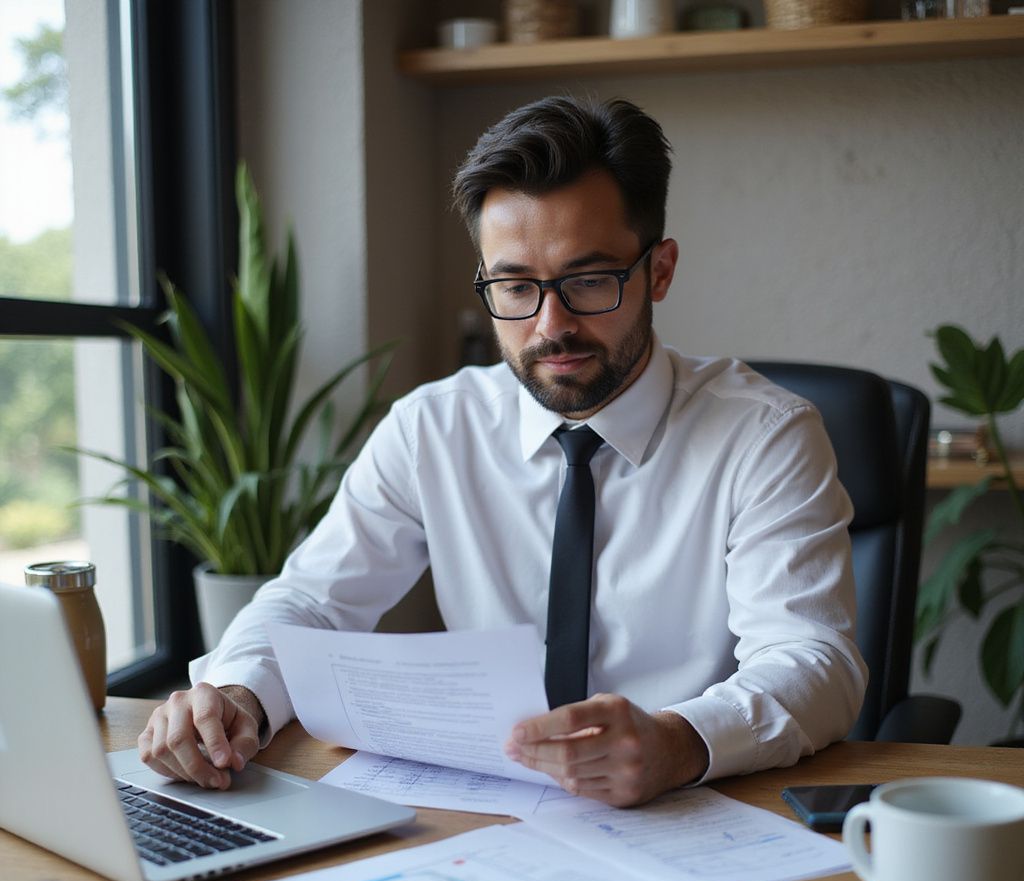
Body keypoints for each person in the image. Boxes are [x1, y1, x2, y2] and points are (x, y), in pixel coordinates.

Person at [139, 96, 866, 808]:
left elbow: (813, 660)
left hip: (697, 812)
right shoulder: (432, 428)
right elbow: (313, 600)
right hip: (488, 816)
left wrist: (678, 743)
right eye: (516, 285)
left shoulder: (765, 435)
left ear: (660, 270)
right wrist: (236, 691)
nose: (552, 326)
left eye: (588, 281)